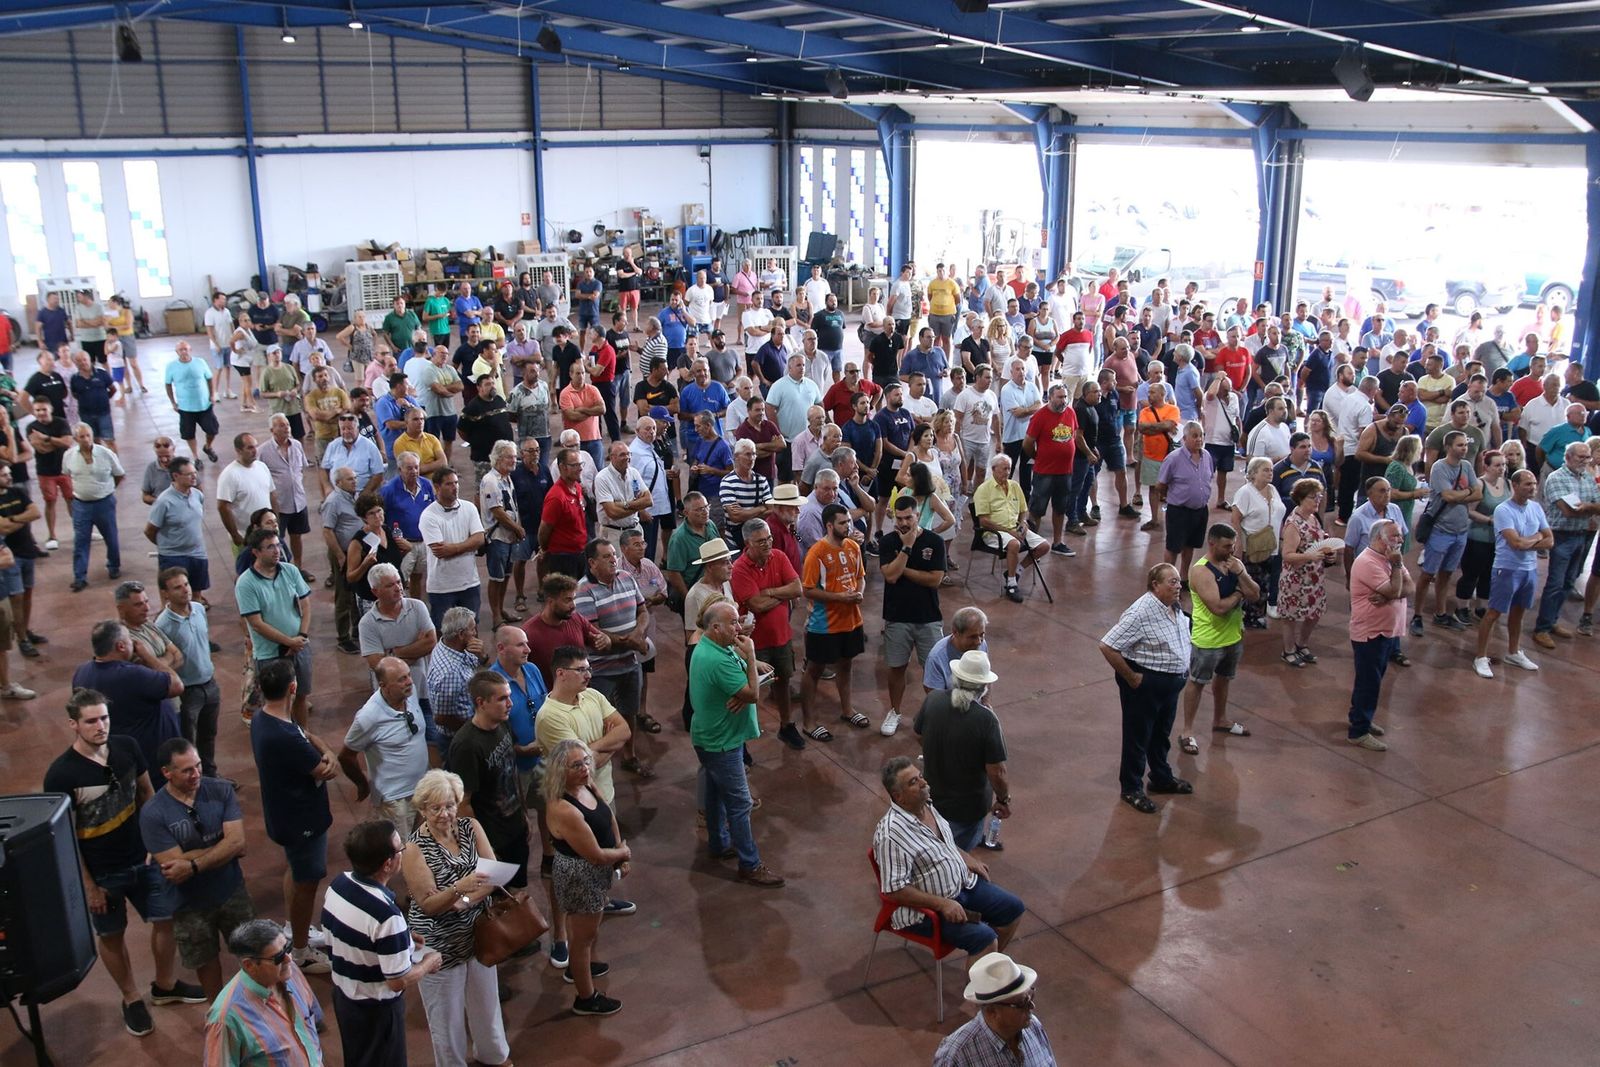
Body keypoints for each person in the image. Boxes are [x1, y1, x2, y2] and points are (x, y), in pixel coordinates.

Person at [44, 689, 203, 1037]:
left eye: (104, 718)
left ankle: (164, 985)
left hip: (144, 857)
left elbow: (148, 793)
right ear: (74, 724)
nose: (100, 726)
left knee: (165, 919)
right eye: (91, 721)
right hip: (103, 871)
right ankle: (131, 998)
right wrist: (89, 885)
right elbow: (65, 836)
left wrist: (155, 843)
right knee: (112, 935)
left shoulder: (127, 746)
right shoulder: (61, 775)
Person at [400, 769, 514, 1066]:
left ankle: (494, 1055)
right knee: (445, 1017)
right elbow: (428, 904)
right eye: (435, 807)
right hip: (439, 944)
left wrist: (462, 900)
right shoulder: (413, 849)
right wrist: (460, 888)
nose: (444, 814)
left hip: (479, 933)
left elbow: (493, 875)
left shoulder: (470, 827)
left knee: (487, 1004)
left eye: (449, 805)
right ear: (422, 809)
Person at [873, 755, 1023, 956]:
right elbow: (894, 890)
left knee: (1013, 910)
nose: (924, 783)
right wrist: (942, 904)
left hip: (963, 885)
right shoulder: (891, 835)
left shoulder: (927, 806)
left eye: (920, 776)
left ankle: (990, 973)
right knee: (985, 940)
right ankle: (981, 982)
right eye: (914, 782)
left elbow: (943, 843)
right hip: (927, 911)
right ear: (898, 796)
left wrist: (965, 857)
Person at [323, 819, 444, 1067]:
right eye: (400, 849)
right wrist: (428, 963)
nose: (403, 852)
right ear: (388, 863)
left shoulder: (338, 885)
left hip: (345, 998)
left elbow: (349, 934)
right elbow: (397, 980)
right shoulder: (387, 915)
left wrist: (402, 940)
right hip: (376, 1010)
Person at [140, 738, 253, 1000]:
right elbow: (172, 867)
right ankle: (219, 1017)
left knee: (253, 952)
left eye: (198, 766)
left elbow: (239, 843)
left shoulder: (221, 790)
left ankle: (261, 1008)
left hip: (231, 892)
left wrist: (192, 863)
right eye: (187, 770)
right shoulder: (153, 813)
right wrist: (222, 847)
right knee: (206, 962)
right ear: (167, 773)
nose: (196, 774)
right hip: (189, 905)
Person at [250, 658, 337, 973]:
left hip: (282, 812)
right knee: (307, 881)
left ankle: (294, 928)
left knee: (295, 870)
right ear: (293, 687)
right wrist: (326, 749)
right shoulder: (285, 737)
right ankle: (301, 951)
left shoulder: (264, 720)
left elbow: (304, 734)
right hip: (302, 819)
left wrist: (313, 742)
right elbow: (328, 768)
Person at [689, 601, 784, 886]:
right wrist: (752, 657)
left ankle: (719, 843)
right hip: (721, 742)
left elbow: (746, 686)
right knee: (741, 804)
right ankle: (750, 864)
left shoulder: (714, 647)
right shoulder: (716, 658)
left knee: (717, 794)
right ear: (715, 627)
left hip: (711, 736)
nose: (739, 628)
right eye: (732, 623)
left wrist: (744, 687)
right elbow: (753, 693)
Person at [543, 739, 629, 1017]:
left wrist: (620, 850)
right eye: (576, 765)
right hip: (580, 876)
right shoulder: (563, 808)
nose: (584, 769)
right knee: (583, 938)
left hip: (595, 872)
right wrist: (622, 853)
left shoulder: (587, 786)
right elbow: (593, 855)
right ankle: (586, 997)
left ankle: (578, 969)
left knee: (587, 932)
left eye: (586, 761)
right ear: (560, 771)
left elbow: (608, 815)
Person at [1099, 564, 1193, 814]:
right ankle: (1131, 788)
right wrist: (1132, 678)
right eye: (1172, 582)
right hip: (1146, 686)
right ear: (1155, 585)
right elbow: (1108, 646)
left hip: (1170, 686)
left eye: (1178, 582)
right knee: (1137, 738)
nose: (1178, 586)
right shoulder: (1141, 612)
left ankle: (1161, 778)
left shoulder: (1173, 605)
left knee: (1160, 735)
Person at [1175, 524, 1259, 755]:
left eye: (1233, 545)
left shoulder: (1235, 565)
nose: (1231, 550)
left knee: (1224, 679)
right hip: (1207, 640)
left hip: (1233, 637)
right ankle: (1187, 731)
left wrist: (1241, 574)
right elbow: (1218, 608)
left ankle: (1220, 719)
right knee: (1197, 682)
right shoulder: (1201, 571)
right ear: (1212, 543)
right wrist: (1239, 593)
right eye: (1226, 546)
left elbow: (1255, 594)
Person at [913, 650, 1007, 852]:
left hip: (933, 795)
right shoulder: (986, 719)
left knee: (936, 840)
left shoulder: (934, 700)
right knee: (958, 854)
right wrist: (1003, 799)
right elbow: (996, 772)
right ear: (983, 687)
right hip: (967, 807)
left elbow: (919, 734)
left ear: (955, 678)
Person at [447, 670, 532, 890]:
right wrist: (486, 848)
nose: (510, 704)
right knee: (496, 902)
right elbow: (463, 804)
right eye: (502, 698)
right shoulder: (467, 745)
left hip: (514, 827)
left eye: (509, 696)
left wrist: (523, 814)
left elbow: (512, 773)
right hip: (493, 838)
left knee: (518, 890)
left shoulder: (502, 724)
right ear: (481, 702)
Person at [576, 537, 655, 772]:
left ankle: (629, 756)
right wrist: (632, 642)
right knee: (598, 720)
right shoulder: (584, 590)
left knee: (629, 711)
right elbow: (594, 631)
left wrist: (638, 634)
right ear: (592, 563)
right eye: (606, 557)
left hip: (630, 664)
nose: (613, 560)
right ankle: (597, 763)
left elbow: (643, 611)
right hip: (601, 669)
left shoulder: (626, 578)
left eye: (613, 555)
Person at [203, 918, 324, 1065]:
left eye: (287, 948)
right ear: (249, 965)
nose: (288, 959)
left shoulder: (290, 971)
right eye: (278, 957)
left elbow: (314, 1020)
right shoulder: (225, 1018)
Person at [730, 515, 803, 747]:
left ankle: (786, 725)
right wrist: (782, 594)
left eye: (769, 538)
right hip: (754, 642)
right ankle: (742, 739)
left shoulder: (778, 557)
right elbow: (756, 605)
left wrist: (769, 592)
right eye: (761, 541)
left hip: (781, 636)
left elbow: (797, 588)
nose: (767, 544)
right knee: (748, 691)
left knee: (783, 681)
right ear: (747, 544)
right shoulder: (740, 568)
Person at [73, 619, 182, 772]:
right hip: (152, 758)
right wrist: (147, 655)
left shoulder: (82, 672)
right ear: (121, 646)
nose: (134, 644)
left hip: (122, 756)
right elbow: (177, 685)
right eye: (130, 640)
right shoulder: (131, 674)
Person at [879, 494, 947, 737]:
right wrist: (906, 547)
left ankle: (938, 715)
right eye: (899, 518)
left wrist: (902, 568)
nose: (904, 523)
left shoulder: (935, 542)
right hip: (897, 617)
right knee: (896, 668)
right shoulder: (888, 542)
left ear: (919, 515)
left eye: (909, 517)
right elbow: (890, 577)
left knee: (935, 670)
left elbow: (934, 579)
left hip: (928, 617)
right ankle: (895, 711)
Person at [1473, 468, 1551, 678]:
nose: (1532, 488)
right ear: (1514, 486)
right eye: (1527, 484)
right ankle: (1481, 656)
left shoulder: (1536, 508)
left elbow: (1550, 540)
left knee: (1519, 612)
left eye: (1534, 484)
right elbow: (1515, 543)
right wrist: (1536, 537)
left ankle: (1514, 652)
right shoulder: (1503, 510)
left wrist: (1529, 540)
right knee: (1494, 613)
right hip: (1506, 569)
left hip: (1529, 570)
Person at [338, 656, 430, 833]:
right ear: (383, 685)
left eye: (408, 675)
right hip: (395, 801)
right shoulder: (368, 717)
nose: (409, 682)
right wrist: (362, 784)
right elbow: (345, 756)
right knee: (401, 853)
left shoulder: (410, 694)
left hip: (421, 789)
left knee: (423, 847)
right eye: (401, 679)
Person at [800, 502, 868, 739]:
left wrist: (859, 592)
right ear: (829, 526)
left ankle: (847, 710)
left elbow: (860, 577)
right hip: (824, 623)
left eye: (848, 521)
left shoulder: (853, 547)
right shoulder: (816, 554)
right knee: (814, 670)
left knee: (846, 663)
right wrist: (839, 597)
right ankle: (809, 723)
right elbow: (807, 590)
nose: (848, 526)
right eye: (842, 523)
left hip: (851, 620)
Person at [1347, 519, 1413, 751]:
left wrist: (1389, 595)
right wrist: (1395, 573)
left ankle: (1360, 717)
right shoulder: (1368, 562)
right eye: (1395, 536)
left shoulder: (1390, 557)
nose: (1400, 540)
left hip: (1386, 631)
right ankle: (1358, 731)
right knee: (1369, 683)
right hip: (1369, 633)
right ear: (1379, 538)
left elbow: (1410, 587)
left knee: (1372, 678)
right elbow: (1397, 588)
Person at [1410, 430, 1482, 635]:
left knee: (1447, 573)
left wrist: (1463, 494)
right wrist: (1467, 493)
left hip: (1461, 531)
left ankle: (1441, 613)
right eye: (1460, 445)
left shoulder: (1467, 466)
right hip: (1441, 530)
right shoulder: (1439, 468)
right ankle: (1417, 614)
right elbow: (1448, 496)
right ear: (1448, 447)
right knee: (1428, 574)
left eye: (1465, 445)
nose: (1464, 449)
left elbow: (1478, 492)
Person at [153, 567, 222, 778]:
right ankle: (194, 781)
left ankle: (210, 776)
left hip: (209, 683)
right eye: (177, 587)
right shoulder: (163, 624)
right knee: (188, 741)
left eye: (186, 584)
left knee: (208, 735)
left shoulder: (198, 608)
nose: (185, 590)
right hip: (187, 691)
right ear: (165, 593)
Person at [933, 951, 1056, 1066]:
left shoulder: (1033, 1025)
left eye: (1031, 997)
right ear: (992, 1011)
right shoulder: (956, 1055)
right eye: (1022, 1003)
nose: (1032, 1007)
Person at [1533, 441, 1600, 648]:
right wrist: (1590, 508)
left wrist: (1586, 506)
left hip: (1581, 535)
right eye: (1581, 457)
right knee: (1555, 583)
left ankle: (1552, 621)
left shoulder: (1588, 478)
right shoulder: (1556, 478)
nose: (1585, 461)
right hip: (1561, 536)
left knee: (1569, 582)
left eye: (1587, 457)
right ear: (1568, 457)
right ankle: (1542, 628)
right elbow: (1568, 510)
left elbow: (1596, 506)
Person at [973, 452, 1049, 603]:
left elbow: (1024, 510)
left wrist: (1023, 523)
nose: (1007, 472)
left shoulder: (1014, 486)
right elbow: (983, 521)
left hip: (1015, 527)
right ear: (993, 469)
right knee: (1014, 544)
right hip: (993, 532)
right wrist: (1009, 532)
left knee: (1043, 546)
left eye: (1009, 469)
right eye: (1003, 469)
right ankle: (1011, 584)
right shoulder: (983, 489)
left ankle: (1015, 572)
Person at [419, 468, 486, 630]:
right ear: (437, 487)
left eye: (456, 483)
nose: (455, 487)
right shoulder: (429, 516)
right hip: (442, 587)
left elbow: (480, 539)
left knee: (471, 630)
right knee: (445, 633)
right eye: (449, 484)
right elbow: (440, 551)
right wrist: (468, 544)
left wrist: (454, 548)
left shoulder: (469, 508)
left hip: (470, 583)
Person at [64, 421, 124, 591]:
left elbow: (119, 474)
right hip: (81, 505)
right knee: (81, 541)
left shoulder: (106, 454)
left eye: (88, 435)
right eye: (81, 436)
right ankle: (79, 576)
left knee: (111, 536)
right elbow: (67, 475)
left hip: (104, 503)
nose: (85, 439)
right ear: (76, 438)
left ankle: (114, 567)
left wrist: (107, 490)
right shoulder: (68, 456)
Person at [1023, 382, 1080, 555]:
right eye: (1060, 397)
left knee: (1060, 508)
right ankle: (1034, 545)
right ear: (1051, 397)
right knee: (1037, 509)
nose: (1063, 401)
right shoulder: (1040, 416)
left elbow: (1074, 434)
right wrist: (1037, 457)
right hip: (1044, 471)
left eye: (1065, 397)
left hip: (1065, 471)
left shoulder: (1070, 412)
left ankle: (1057, 542)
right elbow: (1027, 443)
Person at [1233, 456, 1285, 628]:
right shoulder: (1245, 492)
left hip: (1273, 545)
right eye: (1265, 470)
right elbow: (1236, 519)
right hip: (1253, 546)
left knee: (1268, 580)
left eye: (1271, 470)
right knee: (1254, 581)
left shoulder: (1272, 489)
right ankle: (1248, 615)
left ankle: (1259, 614)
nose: (1270, 473)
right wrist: (1239, 545)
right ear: (1254, 473)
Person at [164, 341, 220, 468]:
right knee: (189, 433)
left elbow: (209, 378)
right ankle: (196, 457)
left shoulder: (200, 362)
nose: (183, 352)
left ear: (190, 350)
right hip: (185, 407)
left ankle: (208, 446)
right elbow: (168, 384)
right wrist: (173, 402)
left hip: (204, 405)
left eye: (185, 349)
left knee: (212, 429)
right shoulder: (171, 366)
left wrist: (212, 395)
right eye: (180, 350)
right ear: (177, 352)